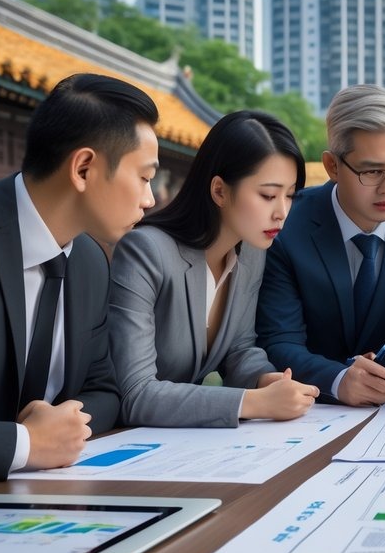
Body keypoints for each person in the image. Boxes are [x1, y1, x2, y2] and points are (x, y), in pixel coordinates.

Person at [0, 73, 160, 481]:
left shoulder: (91, 261)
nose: (150, 199)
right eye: (145, 177)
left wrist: (65, 426)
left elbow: (105, 389)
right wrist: (24, 444)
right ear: (84, 168)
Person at [109, 110, 320, 427]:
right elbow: (135, 394)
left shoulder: (251, 252)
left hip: (184, 443)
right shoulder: (146, 252)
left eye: (289, 196)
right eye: (267, 195)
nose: (281, 212)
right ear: (219, 190)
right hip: (115, 441)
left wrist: (265, 380)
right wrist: (253, 402)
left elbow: (238, 349)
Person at [257, 85, 385, 407]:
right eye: (372, 171)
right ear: (332, 166)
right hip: (302, 407)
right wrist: (339, 379)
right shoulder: (286, 225)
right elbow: (279, 341)